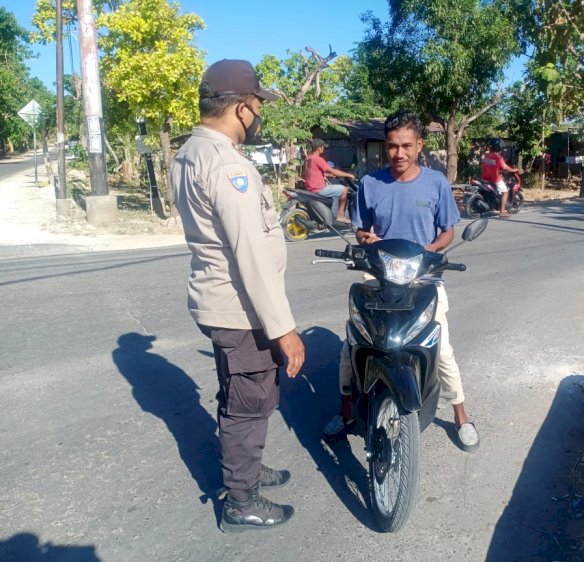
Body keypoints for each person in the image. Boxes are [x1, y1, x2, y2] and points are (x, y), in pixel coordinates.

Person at [170, 59, 305, 532]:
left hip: (218, 302)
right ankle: (240, 498)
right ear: (243, 107)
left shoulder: (189, 153)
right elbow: (251, 256)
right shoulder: (229, 166)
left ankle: (246, 469)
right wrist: (285, 329)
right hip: (242, 309)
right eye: (257, 105)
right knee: (250, 400)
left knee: (241, 392)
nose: (258, 114)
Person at [323, 109, 480, 452]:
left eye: (406, 146)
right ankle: (346, 411)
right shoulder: (370, 183)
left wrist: (428, 252)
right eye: (392, 146)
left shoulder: (436, 182)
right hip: (379, 276)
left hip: (423, 276)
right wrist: (366, 240)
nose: (399, 153)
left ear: (419, 145)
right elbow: (361, 229)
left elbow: (448, 232)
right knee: (353, 347)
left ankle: (461, 416)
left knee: (441, 349)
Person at [304, 138, 355, 223]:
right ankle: (341, 216)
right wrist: (348, 174)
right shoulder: (318, 159)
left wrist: (326, 175)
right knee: (344, 190)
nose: (323, 149)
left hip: (310, 188)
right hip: (318, 189)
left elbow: (311, 173)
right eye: (323, 147)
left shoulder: (308, 159)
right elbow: (333, 170)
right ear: (319, 148)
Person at [481, 139, 521, 218]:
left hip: (485, 178)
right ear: (499, 147)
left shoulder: (486, 155)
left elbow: (490, 165)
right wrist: (514, 170)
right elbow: (505, 167)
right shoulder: (498, 157)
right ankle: (502, 212)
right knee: (505, 191)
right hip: (494, 179)